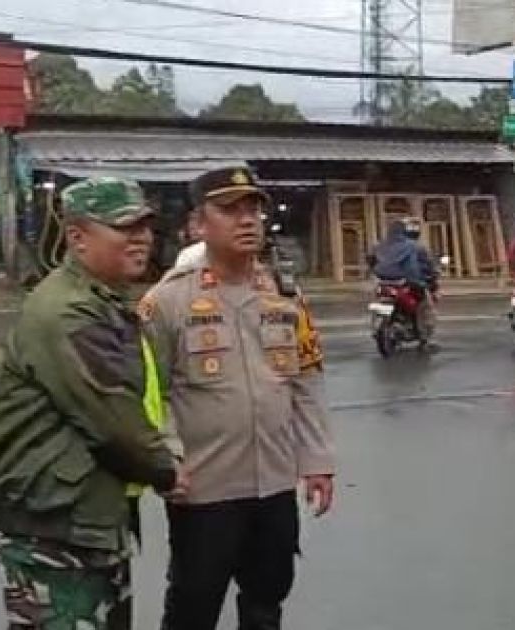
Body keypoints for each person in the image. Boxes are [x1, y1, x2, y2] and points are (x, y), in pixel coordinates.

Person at [0, 177, 186, 630]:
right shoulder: (68, 311)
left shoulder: (102, 301)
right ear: (77, 237)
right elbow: (111, 419)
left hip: (83, 516)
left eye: (146, 228)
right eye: (125, 228)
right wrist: (167, 472)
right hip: (53, 528)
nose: (142, 239)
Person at [140, 166, 336, 630]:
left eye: (253, 208)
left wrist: (318, 459)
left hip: (274, 484)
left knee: (267, 600)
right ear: (197, 225)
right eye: (229, 210)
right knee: (194, 604)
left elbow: (305, 380)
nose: (247, 220)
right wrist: (165, 459)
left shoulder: (284, 297)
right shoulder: (165, 303)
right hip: (204, 487)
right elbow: (149, 394)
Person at [370, 217, 438, 342]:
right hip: (404, 281)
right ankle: (423, 333)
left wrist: (376, 272)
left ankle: (375, 328)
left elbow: (371, 260)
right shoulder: (412, 246)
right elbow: (413, 267)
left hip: (382, 281)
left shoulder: (379, 245)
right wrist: (420, 281)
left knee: (377, 300)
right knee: (424, 303)